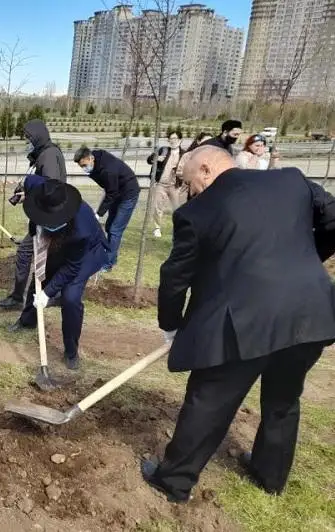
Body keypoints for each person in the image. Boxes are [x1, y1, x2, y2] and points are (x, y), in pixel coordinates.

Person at [142, 146, 335, 503]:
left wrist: (171, 326)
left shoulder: (197, 213)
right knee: (284, 399)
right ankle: (269, 475)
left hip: (244, 323)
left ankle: (174, 480)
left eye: (189, 184)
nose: (192, 193)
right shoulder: (291, 181)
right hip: (310, 313)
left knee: (210, 400)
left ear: (204, 169)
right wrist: (308, 257)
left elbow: (174, 278)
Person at [7, 176, 109, 369]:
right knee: (39, 275)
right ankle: (28, 320)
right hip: (59, 242)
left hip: (86, 253)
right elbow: (30, 182)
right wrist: (35, 228)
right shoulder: (41, 189)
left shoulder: (82, 230)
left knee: (70, 297)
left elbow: (71, 267)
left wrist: (47, 294)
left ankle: (71, 352)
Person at [0, 119, 68, 309]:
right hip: (47, 215)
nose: (27, 141)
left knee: (28, 253)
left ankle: (29, 299)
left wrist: (28, 194)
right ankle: (30, 297)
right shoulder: (46, 153)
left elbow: (50, 187)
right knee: (35, 254)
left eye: (28, 137)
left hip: (49, 216)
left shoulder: (49, 155)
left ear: (37, 135)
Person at [73, 147, 140, 272]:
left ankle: (108, 263)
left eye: (84, 165)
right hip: (116, 192)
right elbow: (109, 189)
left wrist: (98, 214)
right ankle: (111, 256)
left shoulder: (108, 169)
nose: (83, 168)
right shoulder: (96, 161)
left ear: (91, 158)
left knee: (115, 230)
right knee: (109, 226)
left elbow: (111, 193)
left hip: (128, 194)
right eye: (81, 166)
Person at [147, 131, 185, 238]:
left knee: (178, 208)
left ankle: (178, 229)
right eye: (171, 139)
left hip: (176, 185)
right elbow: (149, 160)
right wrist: (156, 159)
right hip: (161, 184)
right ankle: (157, 228)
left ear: (180, 140)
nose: (173, 141)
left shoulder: (184, 154)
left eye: (175, 138)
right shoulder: (163, 150)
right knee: (157, 206)